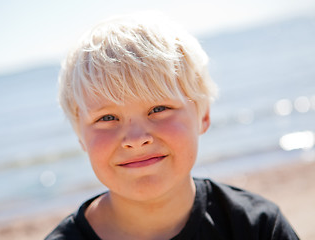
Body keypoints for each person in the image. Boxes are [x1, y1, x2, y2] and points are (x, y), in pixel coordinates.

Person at [45, 12, 299, 240]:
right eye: (107, 118)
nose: (135, 139)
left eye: (158, 109)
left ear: (203, 116)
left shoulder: (256, 227)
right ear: (80, 135)